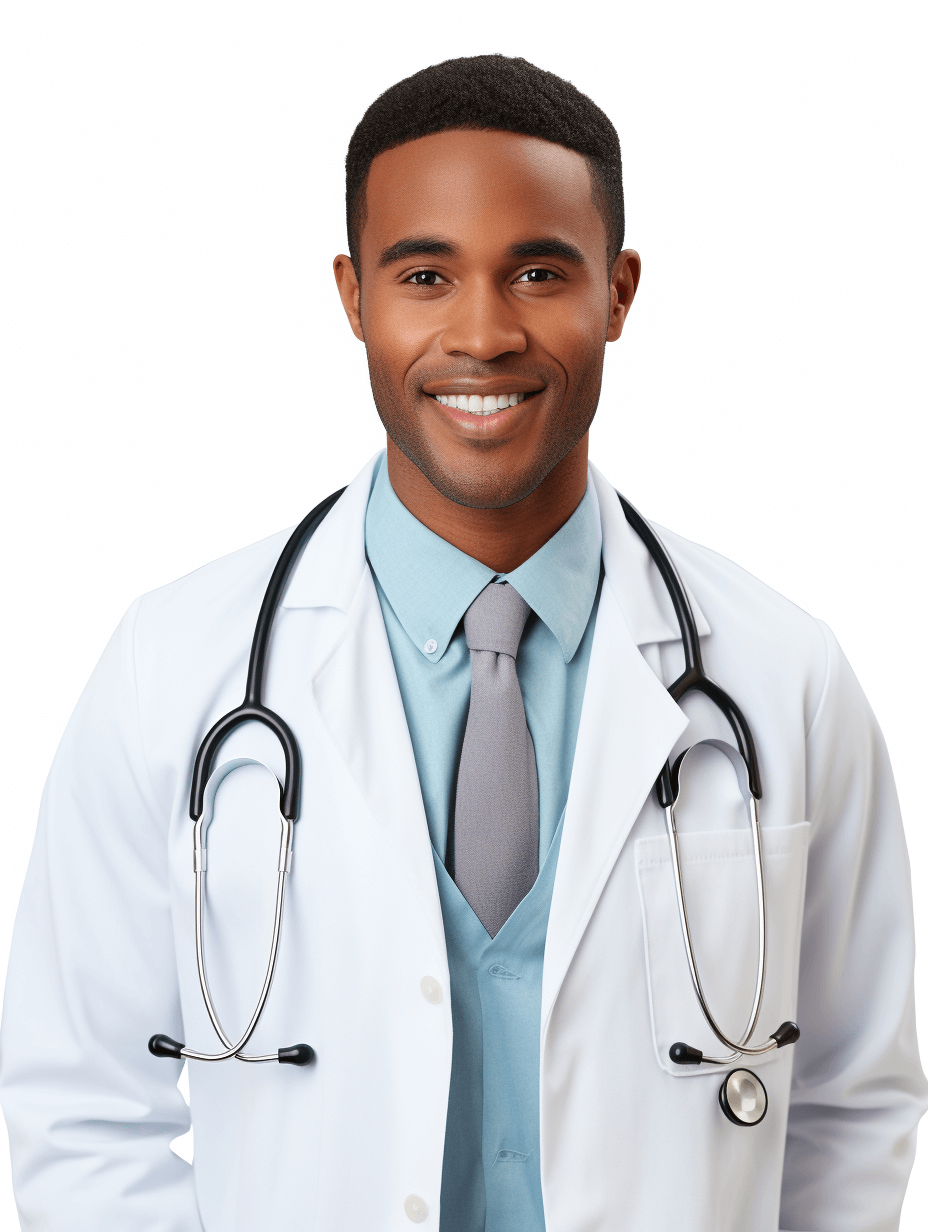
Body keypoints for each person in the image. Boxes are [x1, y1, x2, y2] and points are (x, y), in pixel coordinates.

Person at [1, 53, 925, 1232]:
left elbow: (853, 1096)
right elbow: (81, 1105)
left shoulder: (785, 676)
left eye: (538, 271)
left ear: (619, 292)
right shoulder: (171, 666)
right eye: (425, 273)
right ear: (352, 297)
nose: (482, 333)